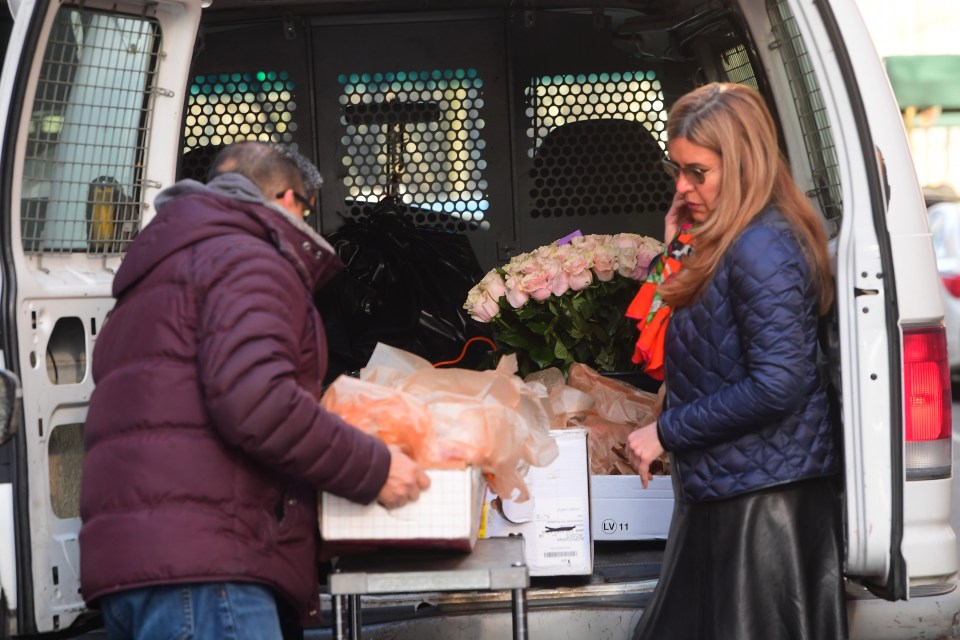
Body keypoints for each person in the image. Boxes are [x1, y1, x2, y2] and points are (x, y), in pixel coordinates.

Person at [78, 140, 431, 639]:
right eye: (308, 211)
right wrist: (375, 468)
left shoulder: (161, 269)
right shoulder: (249, 258)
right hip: (207, 575)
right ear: (289, 201)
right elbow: (258, 403)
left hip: (132, 571)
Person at [627, 82, 846, 639]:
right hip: (732, 489)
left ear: (744, 164)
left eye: (697, 172)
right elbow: (674, 324)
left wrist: (667, 431)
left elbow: (778, 385)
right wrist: (678, 245)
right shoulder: (727, 236)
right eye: (676, 169)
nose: (682, 186)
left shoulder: (763, 246)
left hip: (762, 506)